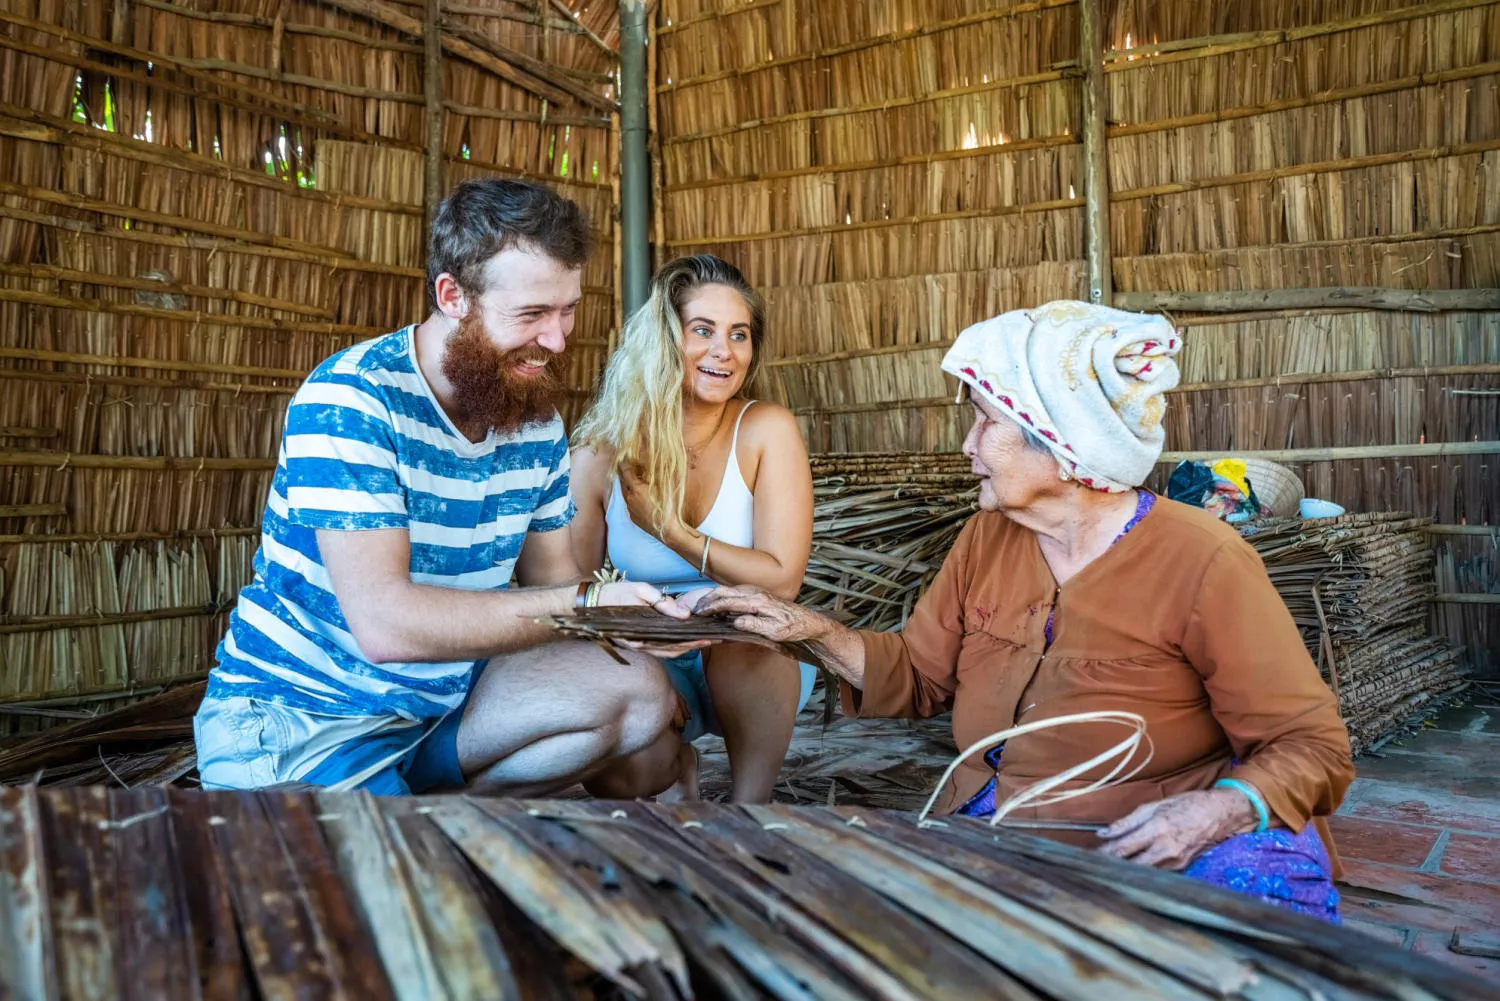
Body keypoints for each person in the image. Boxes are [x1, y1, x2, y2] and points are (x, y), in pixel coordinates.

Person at [702, 301, 1356, 920]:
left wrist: (1215, 813)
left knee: (1252, 923)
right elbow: (920, 673)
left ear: (1064, 447)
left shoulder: (1204, 558)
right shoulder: (987, 537)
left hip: (1151, 832)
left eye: (987, 421)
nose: (968, 445)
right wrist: (809, 629)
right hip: (1002, 821)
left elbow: (1312, 744)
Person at [194, 179, 691, 798]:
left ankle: (437, 809)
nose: (558, 339)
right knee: (393, 884)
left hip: (439, 710)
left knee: (640, 697)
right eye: (531, 314)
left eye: (567, 310)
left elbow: (555, 586)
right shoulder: (353, 400)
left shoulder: (534, 419)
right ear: (452, 295)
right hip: (303, 721)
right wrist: (593, 606)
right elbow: (386, 628)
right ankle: (426, 820)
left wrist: (644, 621)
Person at [569, 255, 817, 802]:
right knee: (621, 777)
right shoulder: (600, 452)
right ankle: (679, 766)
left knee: (744, 624)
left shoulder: (766, 430)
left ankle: (751, 806)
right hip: (654, 651)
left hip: (752, 656)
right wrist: (638, 666)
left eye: (739, 335)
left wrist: (670, 531)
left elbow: (781, 584)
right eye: (702, 330)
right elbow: (575, 595)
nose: (723, 351)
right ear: (663, 340)